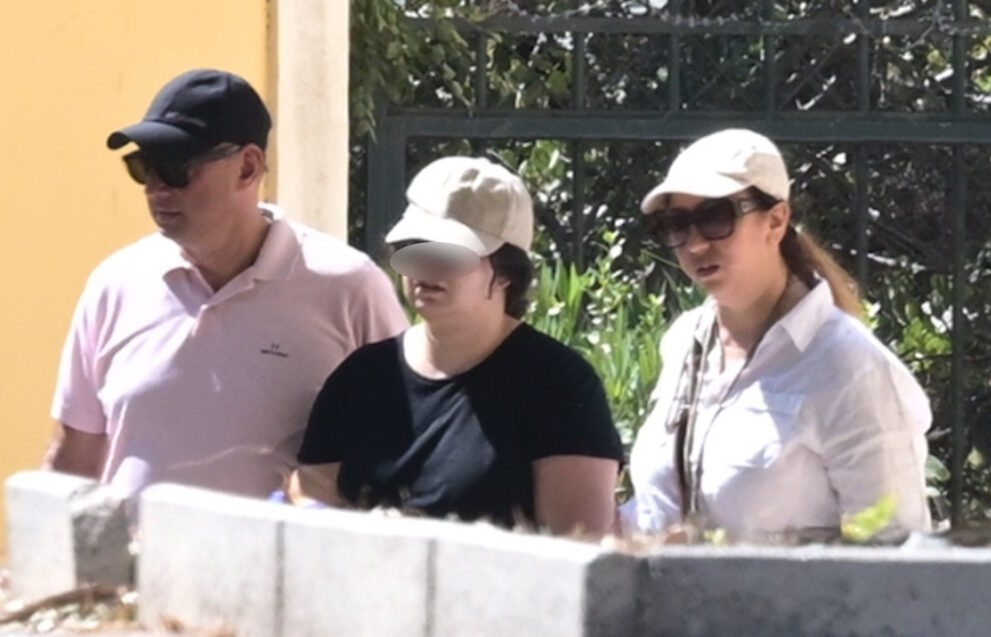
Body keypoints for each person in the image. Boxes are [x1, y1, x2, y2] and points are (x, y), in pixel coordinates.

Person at [44, 69, 408, 499]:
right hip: (129, 547)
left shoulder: (349, 288)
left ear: (248, 167)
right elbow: (75, 456)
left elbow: (401, 442)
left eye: (175, 167)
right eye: (143, 167)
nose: (155, 188)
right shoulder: (115, 284)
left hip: (280, 545)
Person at [624, 128, 931, 542]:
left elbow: (894, 548)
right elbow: (656, 508)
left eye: (716, 218)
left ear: (776, 220)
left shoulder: (849, 365)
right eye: (675, 224)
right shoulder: (684, 343)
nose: (694, 244)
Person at [290, 156, 623, 536]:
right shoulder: (362, 375)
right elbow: (310, 502)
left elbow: (577, 545)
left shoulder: (558, 385)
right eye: (415, 247)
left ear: (506, 273)